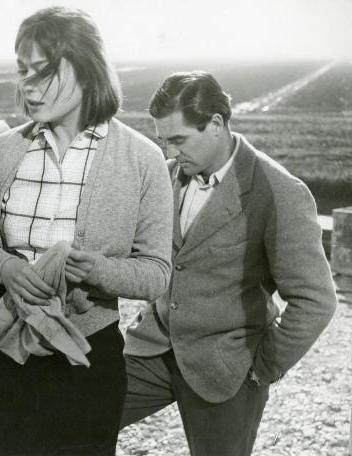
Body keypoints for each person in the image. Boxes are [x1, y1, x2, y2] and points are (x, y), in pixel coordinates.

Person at [0, 6, 173, 455]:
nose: (28, 85)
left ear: (86, 68)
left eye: (42, 71)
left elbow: (157, 274)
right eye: (22, 71)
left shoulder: (141, 160)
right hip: (3, 354)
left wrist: (93, 269)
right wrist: (6, 268)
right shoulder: (6, 151)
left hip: (84, 365)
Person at [122, 71, 337, 455]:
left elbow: (316, 299)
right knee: (76, 421)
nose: (169, 153)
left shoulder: (280, 191)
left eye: (178, 140)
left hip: (227, 371)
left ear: (217, 124)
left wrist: (262, 368)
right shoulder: (167, 175)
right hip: (151, 349)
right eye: (162, 141)